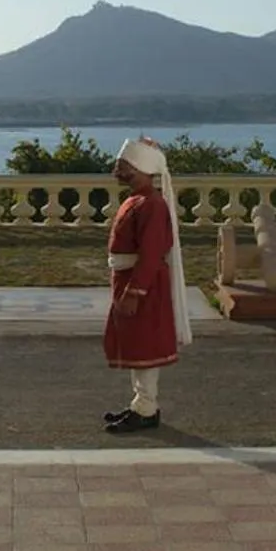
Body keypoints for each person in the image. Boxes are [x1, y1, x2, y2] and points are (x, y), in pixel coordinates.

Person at [102, 136, 193, 431]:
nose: (118, 170)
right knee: (136, 346)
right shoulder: (138, 200)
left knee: (144, 347)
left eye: (124, 165)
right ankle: (141, 404)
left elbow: (151, 254)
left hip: (143, 286)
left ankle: (145, 408)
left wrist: (135, 291)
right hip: (129, 280)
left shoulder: (151, 205)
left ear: (140, 168)